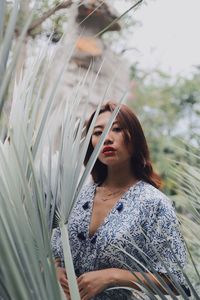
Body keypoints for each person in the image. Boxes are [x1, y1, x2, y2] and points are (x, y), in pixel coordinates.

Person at [51, 102, 190, 300]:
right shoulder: (77, 195)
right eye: (98, 132)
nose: (106, 138)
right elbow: (54, 251)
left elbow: (176, 281)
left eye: (116, 129)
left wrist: (113, 276)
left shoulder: (153, 204)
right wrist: (55, 269)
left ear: (134, 137)